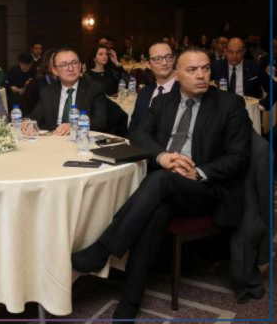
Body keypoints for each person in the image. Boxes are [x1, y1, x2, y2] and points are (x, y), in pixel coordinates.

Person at [71, 47, 251, 323]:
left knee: (160, 180)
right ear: (177, 74)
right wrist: (164, 157)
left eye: (205, 68)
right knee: (157, 207)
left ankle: (101, 250)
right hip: (166, 186)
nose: (201, 75)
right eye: (192, 70)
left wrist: (198, 172)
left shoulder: (229, 104)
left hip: (207, 188)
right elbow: (139, 134)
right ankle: (130, 301)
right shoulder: (163, 102)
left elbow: (238, 158)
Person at [23, 47, 107, 135]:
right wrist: (26, 122)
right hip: (54, 139)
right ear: (55, 71)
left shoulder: (95, 89)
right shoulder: (47, 91)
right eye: (64, 65)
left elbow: (100, 122)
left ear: (80, 66)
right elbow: (34, 116)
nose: (70, 68)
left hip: (81, 138)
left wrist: (74, 126)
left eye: (74, 63)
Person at [128, 42, 179, 134]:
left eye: (169, 57)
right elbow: (133, 128)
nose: (164, 63)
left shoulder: (183, 90)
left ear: (174, 59)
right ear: (148, 64)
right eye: (157, 59)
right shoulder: (144, 93)